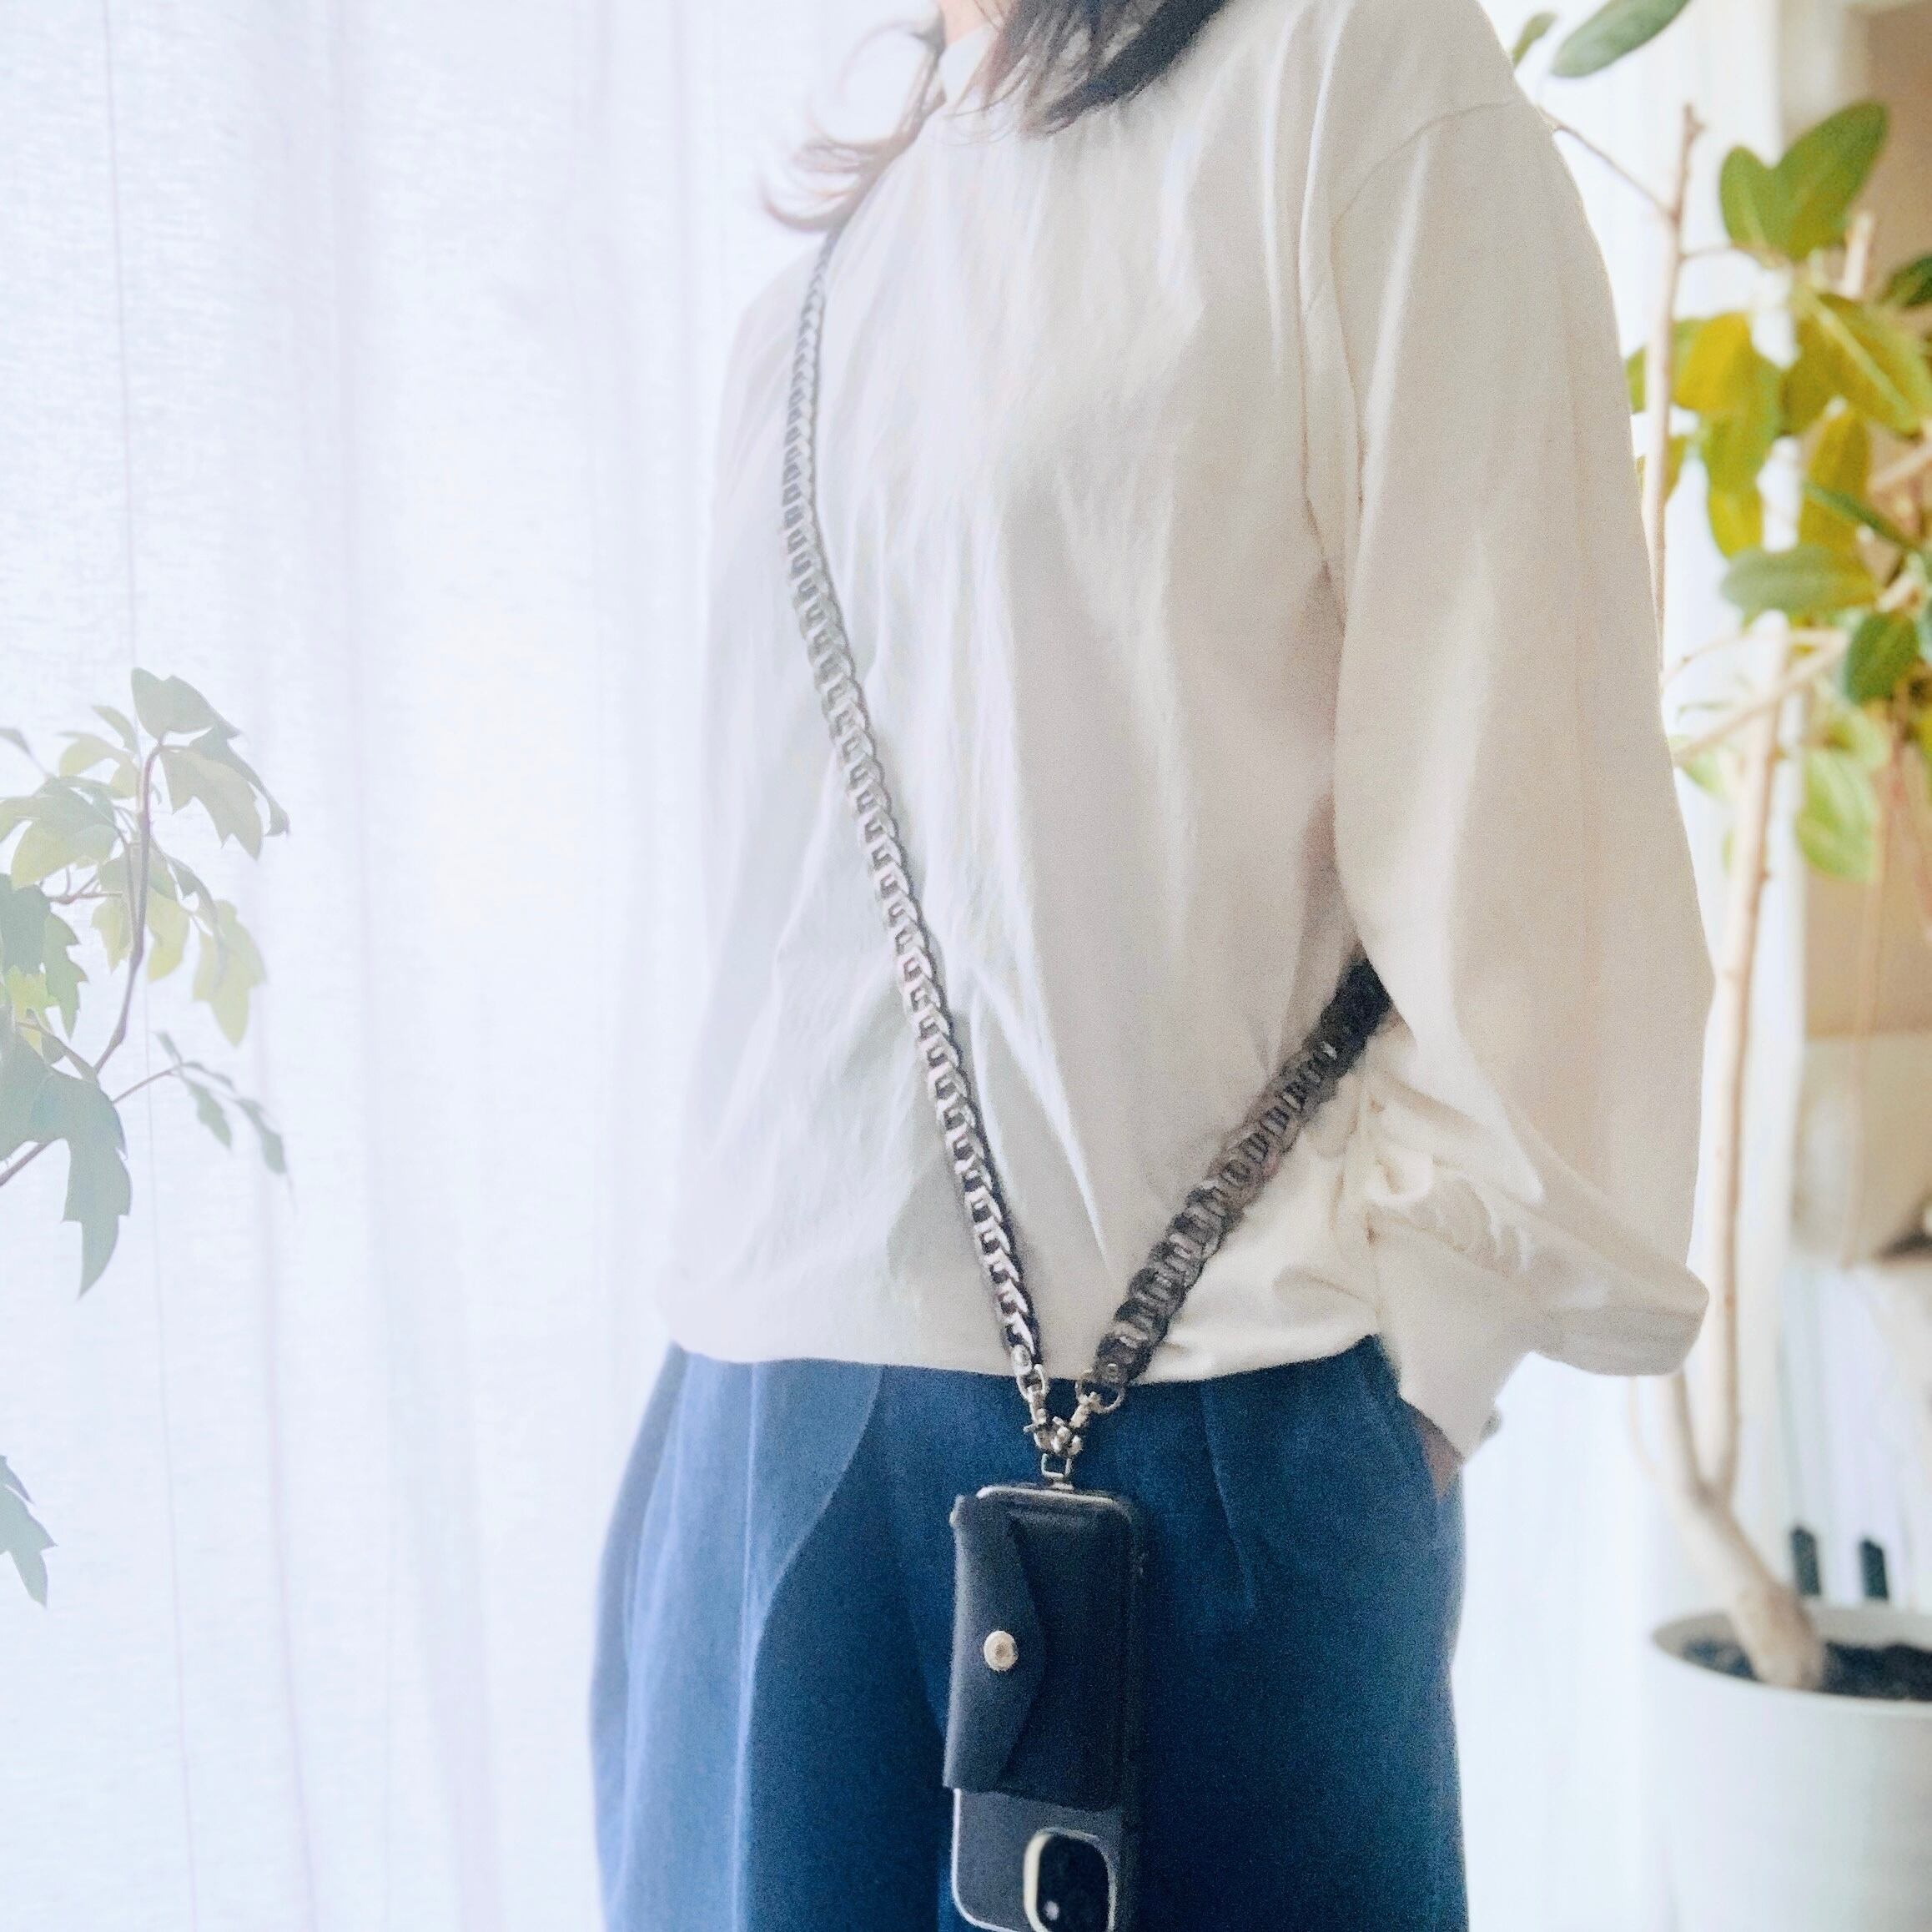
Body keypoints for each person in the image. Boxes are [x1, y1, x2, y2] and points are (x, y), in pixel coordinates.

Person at [591, 0, 1713, 1925]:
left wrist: (1401, 1404)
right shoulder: (844, 254)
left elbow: (1535, 811)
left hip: (1213, 1431)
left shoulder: (1345, 74)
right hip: (754, 1429)